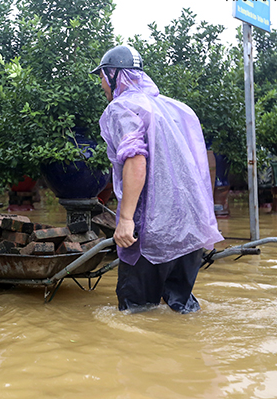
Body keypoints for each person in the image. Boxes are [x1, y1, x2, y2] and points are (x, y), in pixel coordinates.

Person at [92, 45, 224, 313]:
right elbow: (202, 166)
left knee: (136, 314)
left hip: (153, 230)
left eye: (103, 78)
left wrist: (127, 219)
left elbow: (135, 159)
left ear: (114, 75)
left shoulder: (122, 107)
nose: (103, 86)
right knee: (182, 309)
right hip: (191, 228)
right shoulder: (178, 109)